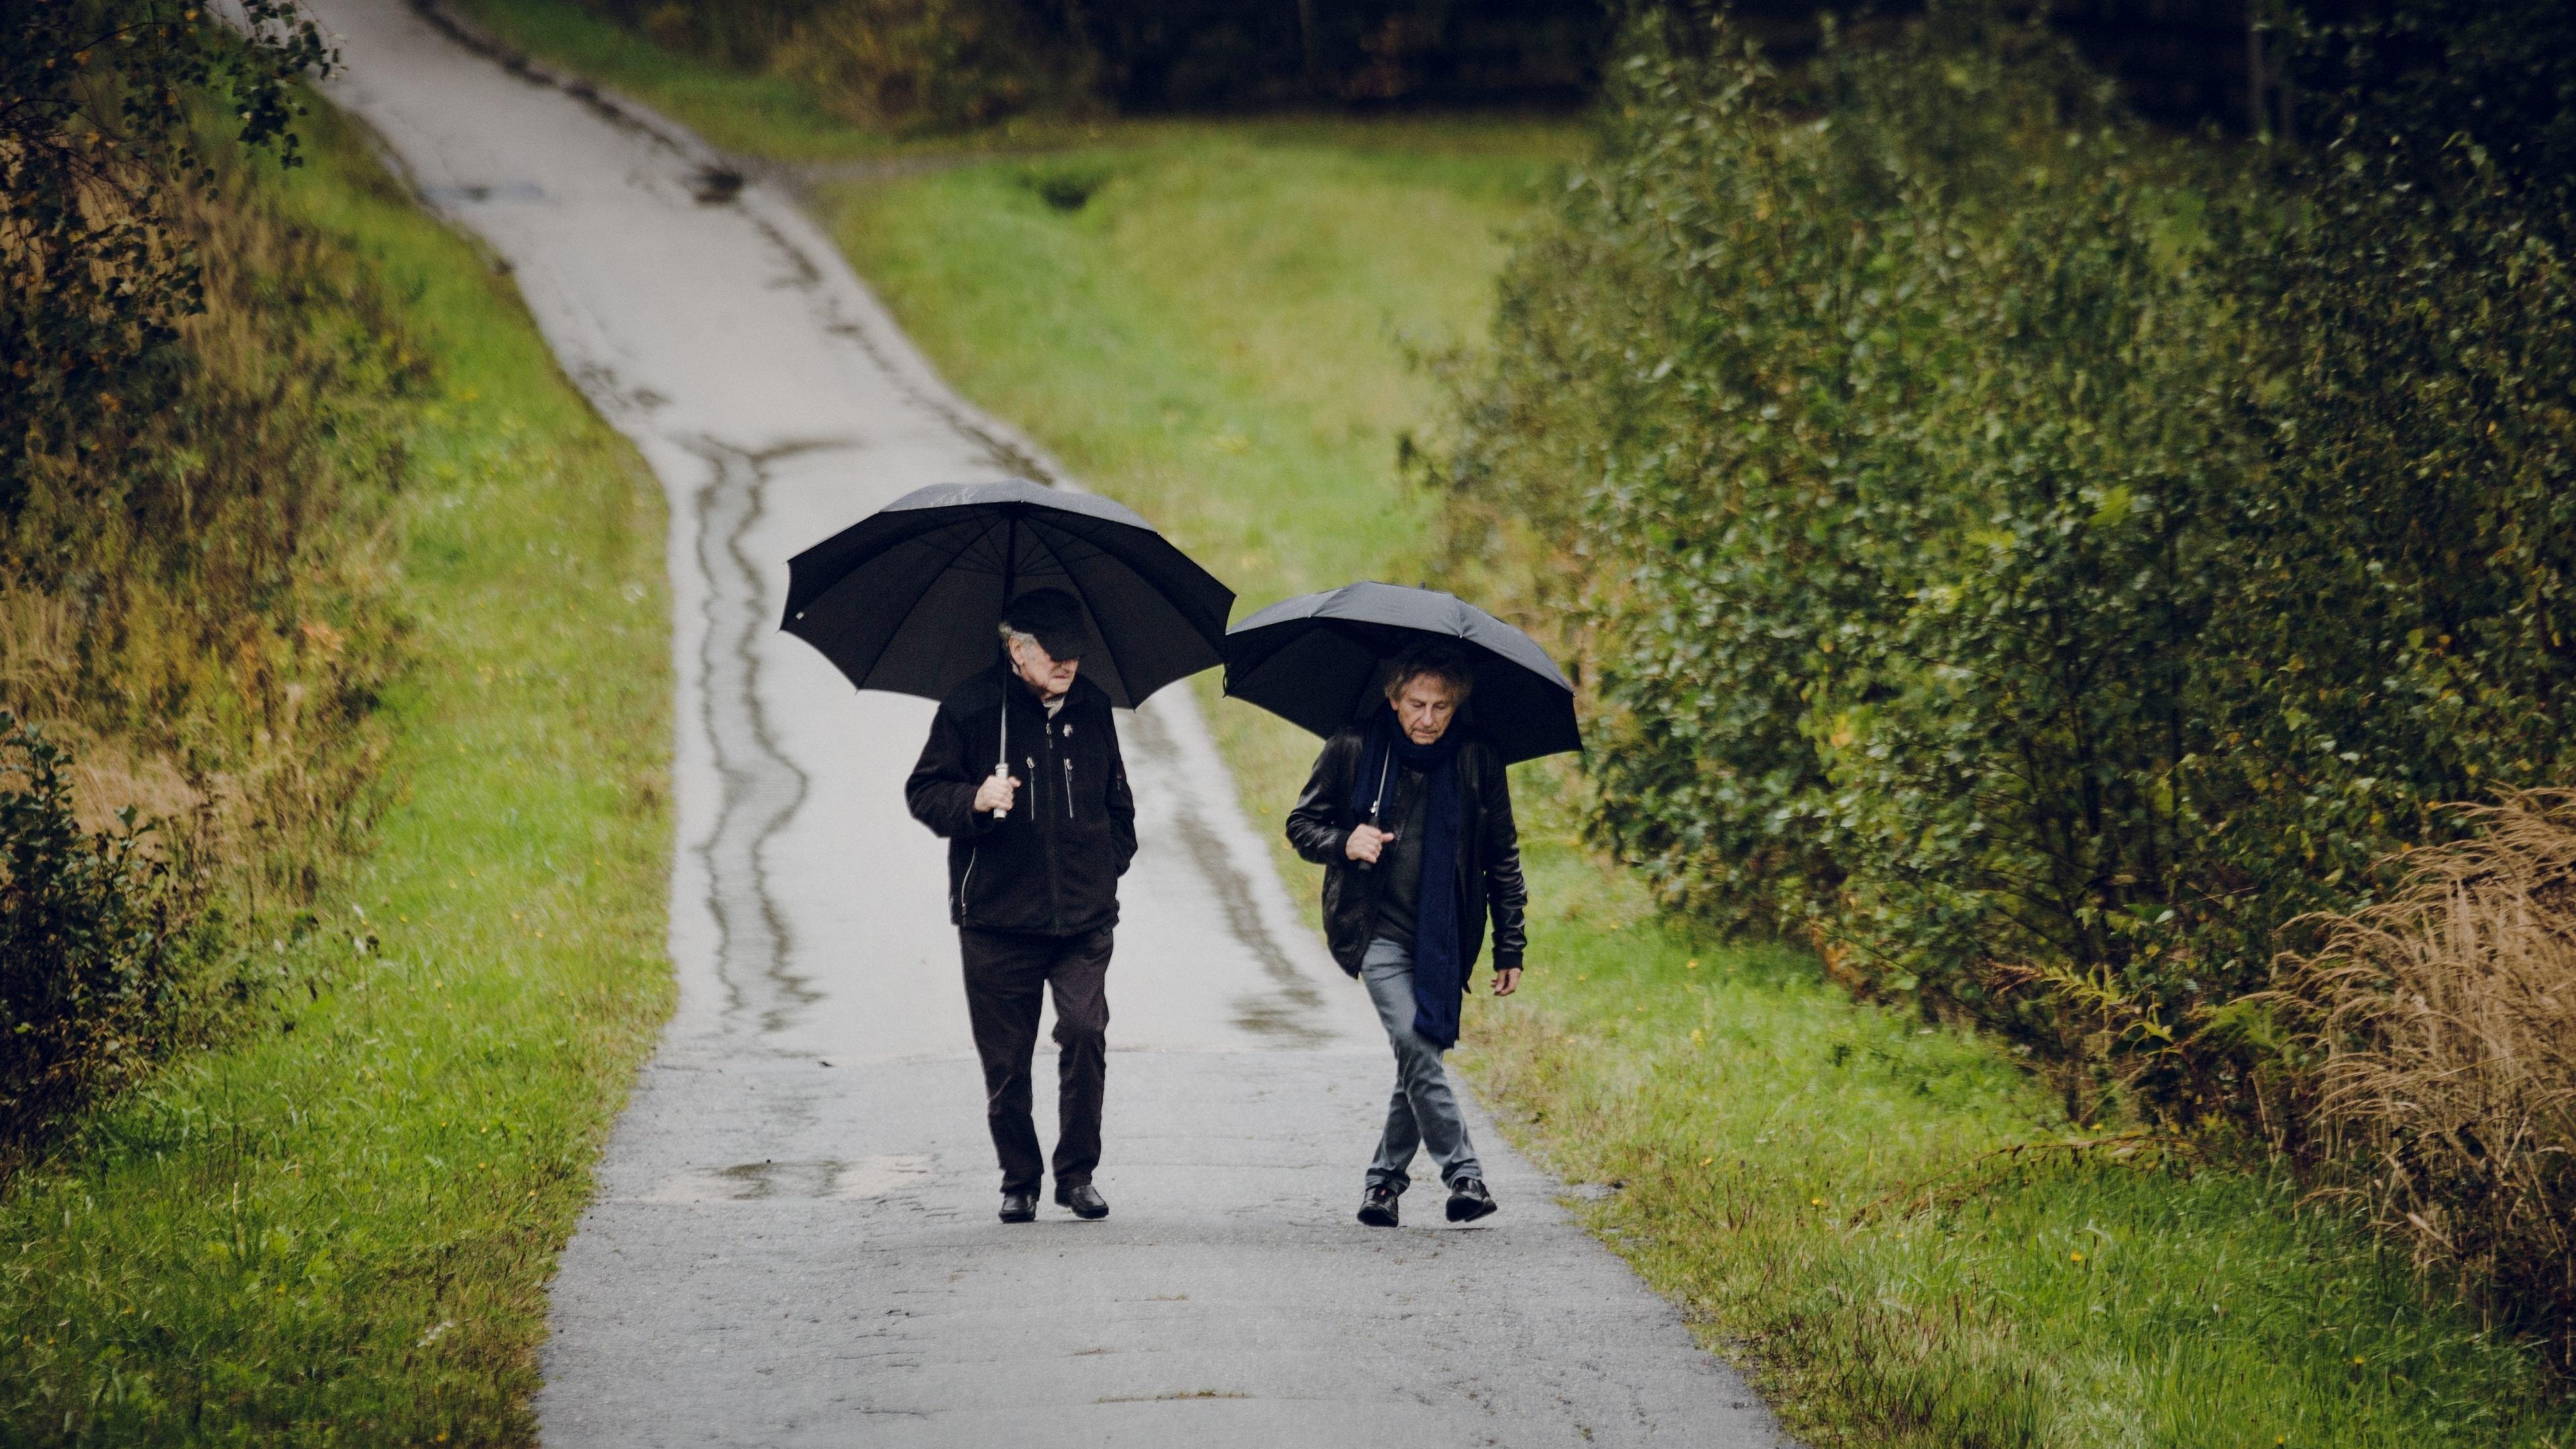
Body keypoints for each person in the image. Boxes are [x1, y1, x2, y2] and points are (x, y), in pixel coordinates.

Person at [906, 588, 1136, 1224]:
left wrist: (1106, 866)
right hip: (996, 920)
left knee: (1085, 1033)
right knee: (1006, 1062)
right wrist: (975, 800)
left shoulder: (1091, 708)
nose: (1067, 666)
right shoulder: (972, 707)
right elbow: (924, 793)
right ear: (1017, 649)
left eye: (1075, 655)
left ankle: (1077, 1173)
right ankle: (1020, 1179)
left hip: (1082, 918)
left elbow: (1120, 805)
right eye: (1054, 655)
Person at [1286, 641, 1528, 1228]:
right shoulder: (1353, 747)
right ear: (1393, 700)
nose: (1427, 719)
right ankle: (1464, 1172)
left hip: (1444, 937)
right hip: (1375, 931)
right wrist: (1346, 842)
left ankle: (1383, 1185)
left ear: (1456, 707)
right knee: (1418, 1045)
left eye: (1441, 707)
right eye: (1416, 703)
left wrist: (1510, 944)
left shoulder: (1476, 758)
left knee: (1413, 1062)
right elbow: (1302, 825)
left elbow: (1502, 856)